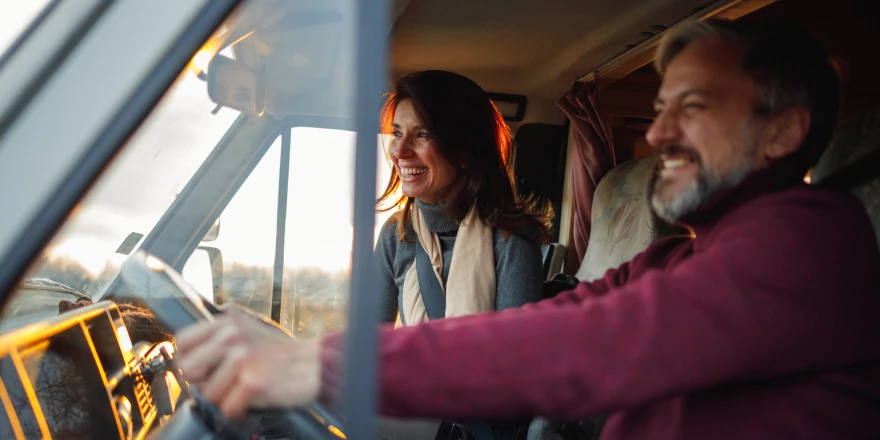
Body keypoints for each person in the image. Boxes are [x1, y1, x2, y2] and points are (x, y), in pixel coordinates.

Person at [174, 19, 880, 439]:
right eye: (659, 107)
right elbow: (574, 315)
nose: (659, 131)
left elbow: (587, 347)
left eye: (691, 107)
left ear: (783, 130)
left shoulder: (814, 243)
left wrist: (316, 367)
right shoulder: (673, 260)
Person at [375, 70, 551, 327]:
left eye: (422, 134)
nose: (399, 151)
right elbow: (368, 346)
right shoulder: (396, 233)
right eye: (398, 133)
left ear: (465, 152)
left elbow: (514, 355)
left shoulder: (511, 238)